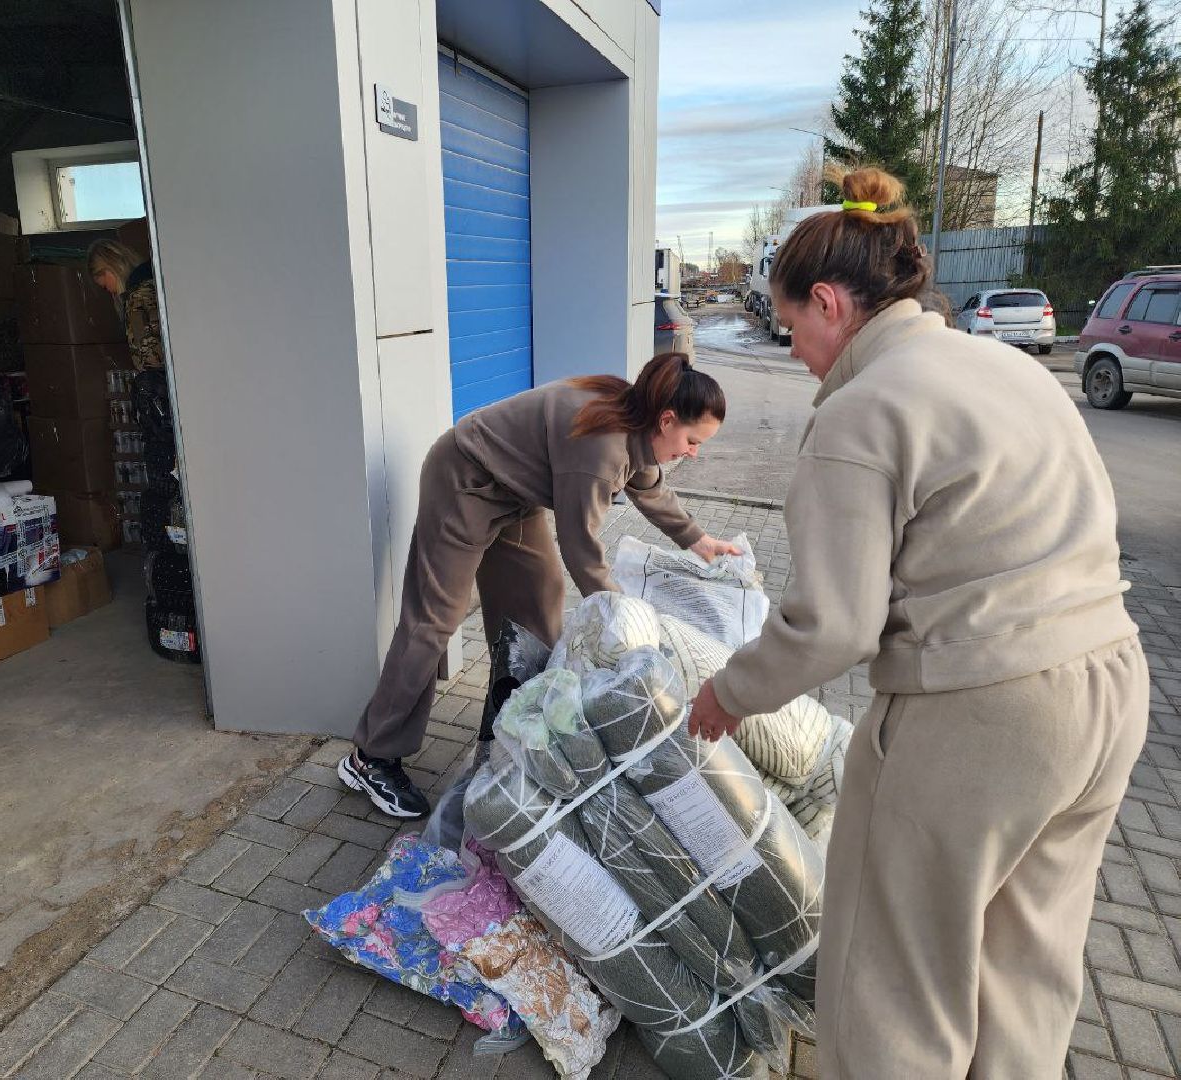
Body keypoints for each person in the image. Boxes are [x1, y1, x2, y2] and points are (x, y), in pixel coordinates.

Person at [686, 166, 1147, 1078]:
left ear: (828, 302)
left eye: (791, 329)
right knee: (1024, 967)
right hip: (1108, 693)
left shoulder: (863, 411)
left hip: (982, 717)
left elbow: (835, 626)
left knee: (894, 983)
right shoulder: (1005, 367)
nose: (794, 355)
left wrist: (730, 693)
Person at [342, 353, 739, 818]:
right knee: (434, 621)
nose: (694, 452)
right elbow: (582, 549)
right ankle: (371, 756)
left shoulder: (637, 419)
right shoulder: (604, 447)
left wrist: (700, 540)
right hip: (466, 480)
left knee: (539, 602)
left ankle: (509, 735)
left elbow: (649, 487)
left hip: (513, 493)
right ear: (667, 418)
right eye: (692, 441)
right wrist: (624, 624)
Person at [88, 239, 164, 372]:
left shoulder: (137, 298)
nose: (111, 292)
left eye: (105, 287)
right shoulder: (154, 278)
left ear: (111, 268)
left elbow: (148, 357)